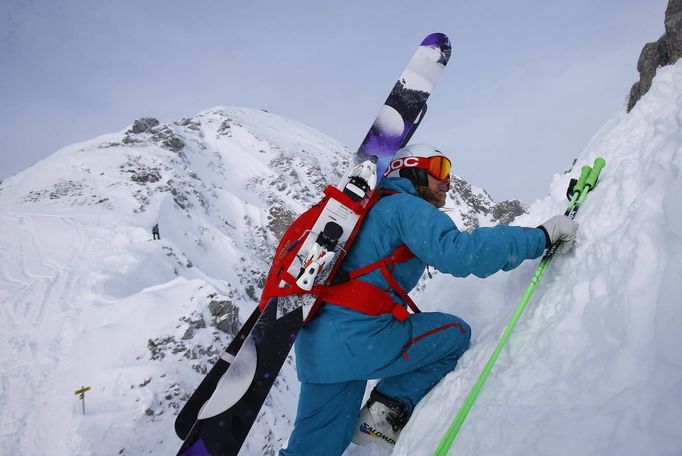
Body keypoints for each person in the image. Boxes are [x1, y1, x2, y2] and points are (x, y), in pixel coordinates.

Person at [279, 144, 578, 455]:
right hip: (360, 339)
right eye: (439, 168)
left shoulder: (366, 211)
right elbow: (462, 254)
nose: (447, 180)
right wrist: (540, 236)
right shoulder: (404, 207)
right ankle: (383, 415)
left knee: (312, 447)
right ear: (412, 170)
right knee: (454, 335)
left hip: (317, 346)